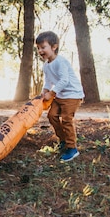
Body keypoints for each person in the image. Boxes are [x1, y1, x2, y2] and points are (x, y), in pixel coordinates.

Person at [35, 31, 85, 162]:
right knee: (52, 116)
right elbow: (48, 81)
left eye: (43, 47)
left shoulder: (60, 62)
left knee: (67, 119)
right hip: (60, 95)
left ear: (54, 47)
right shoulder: (46, 65)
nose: (40, 50)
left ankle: (72, 148)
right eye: (38, 48)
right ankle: (63, 140)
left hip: (72, 94)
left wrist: (51, 93)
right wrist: (44, 91)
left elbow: (64, 80)